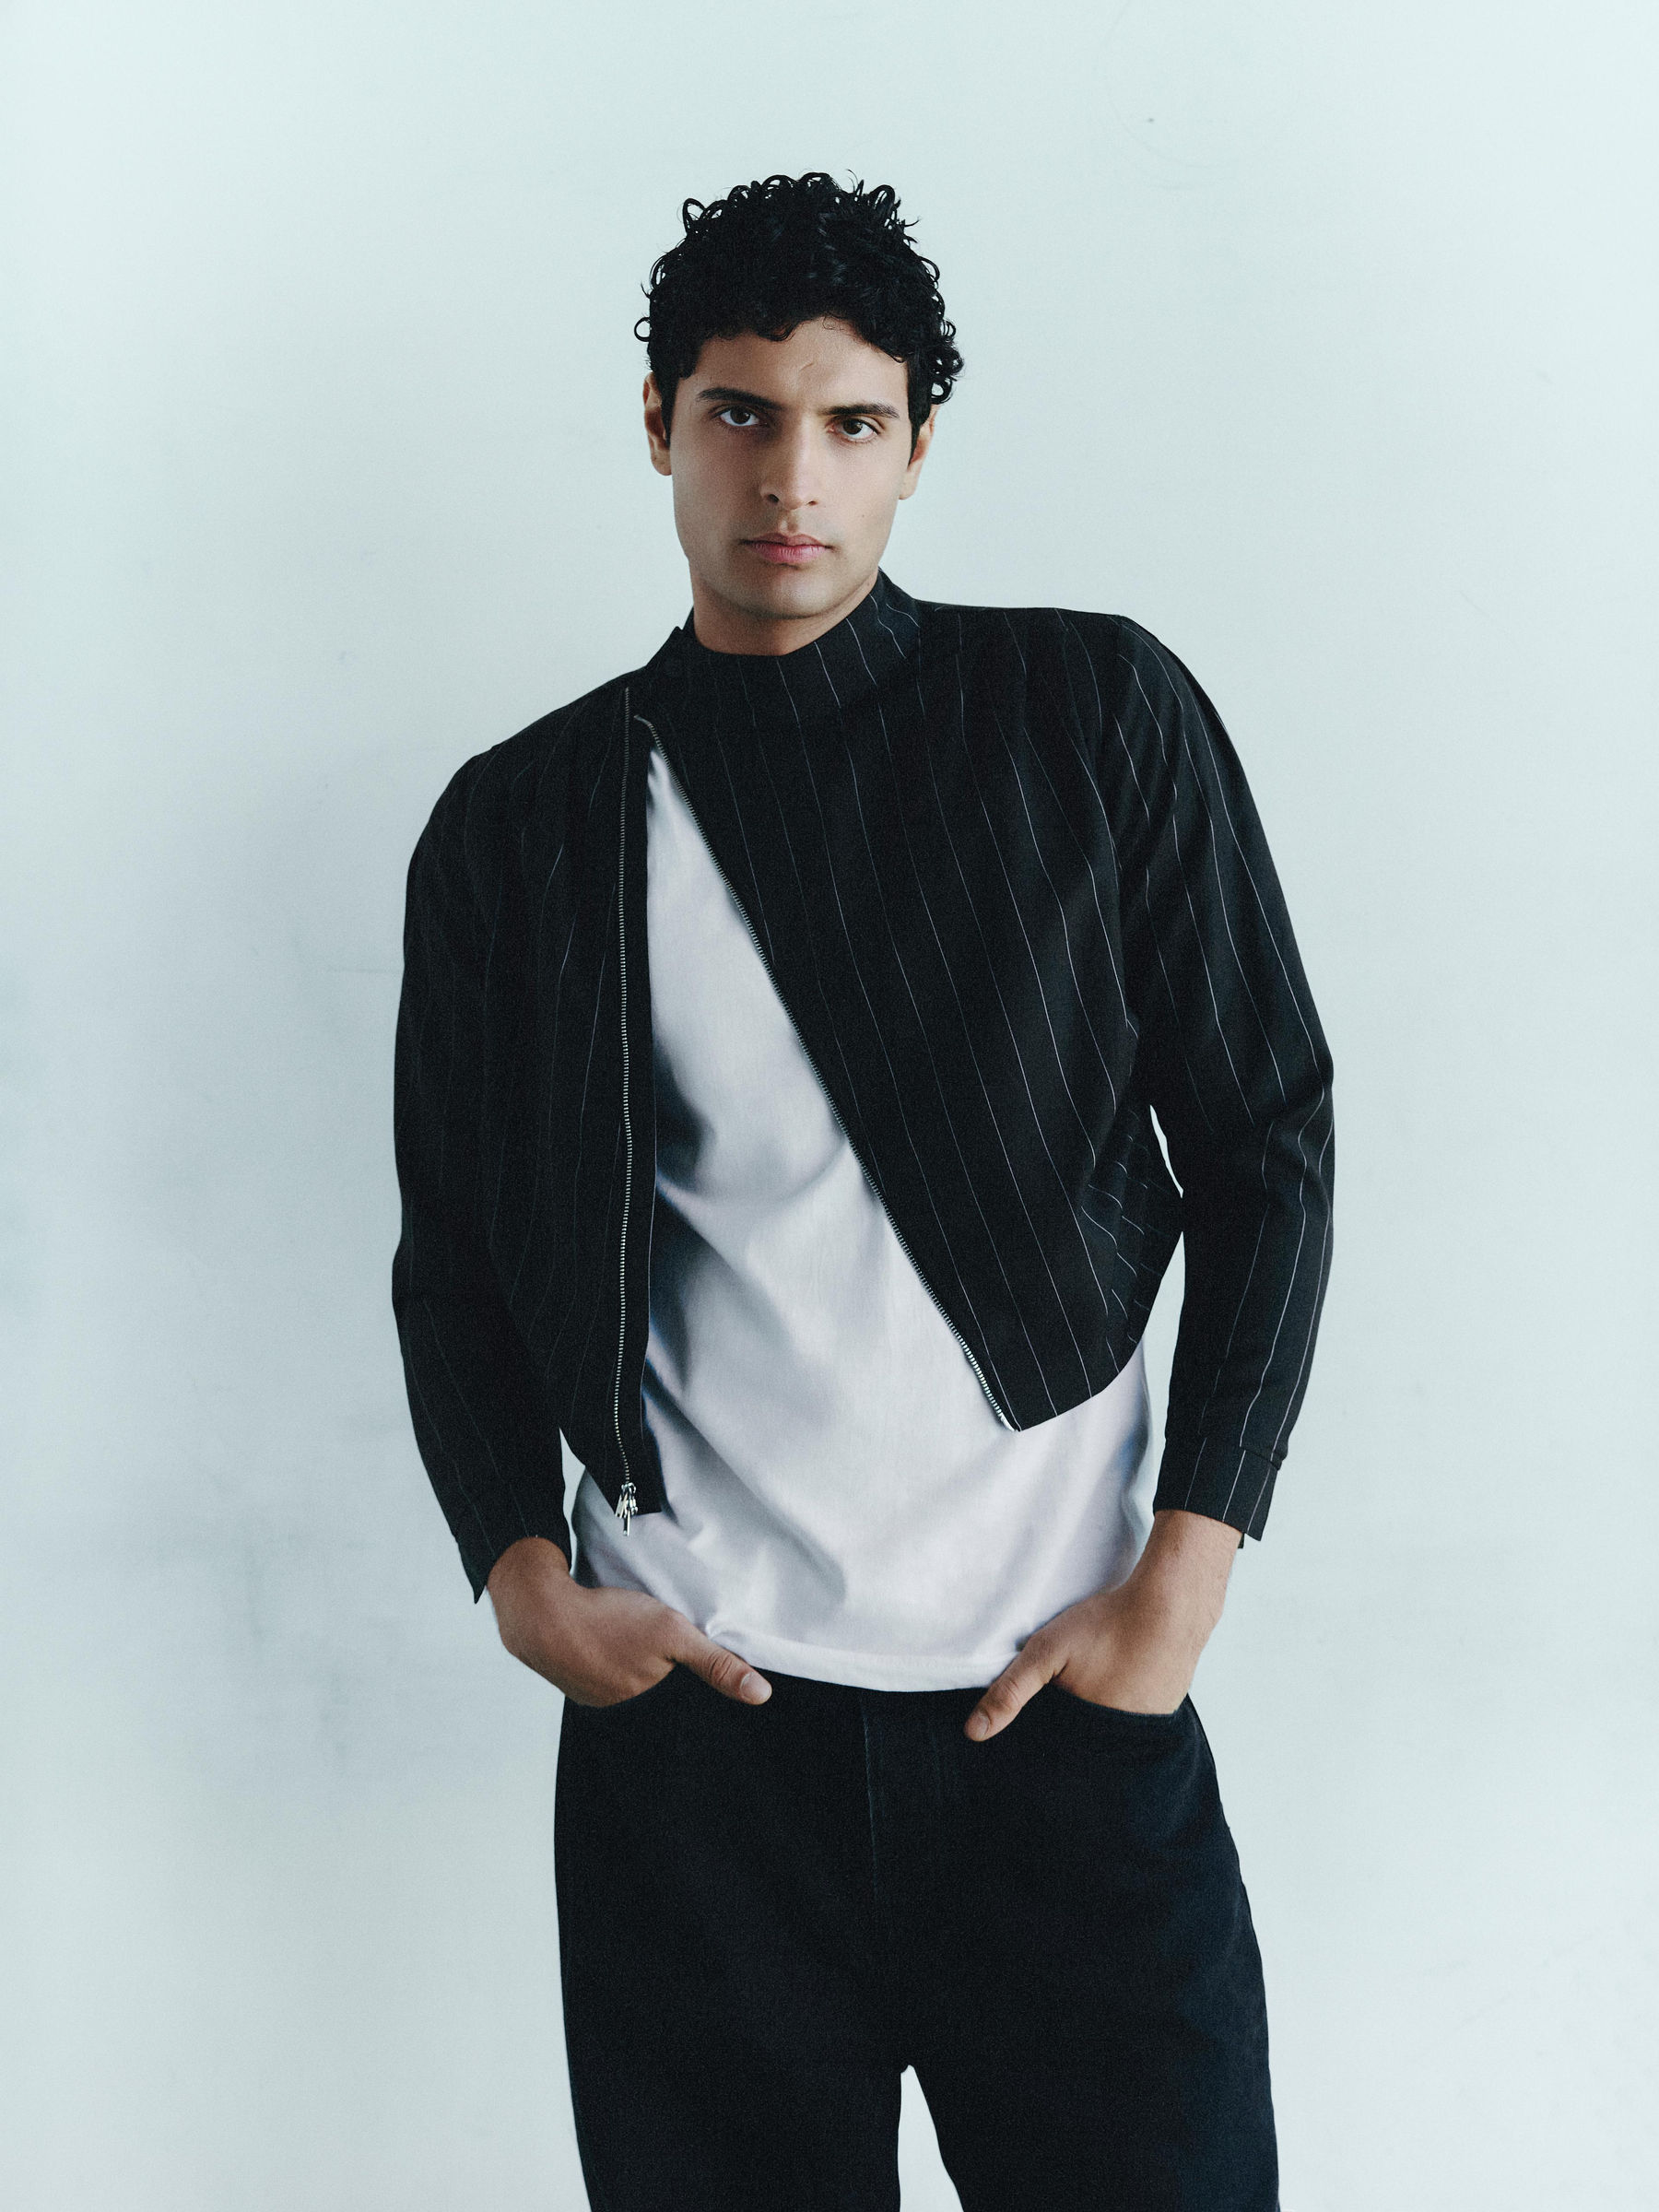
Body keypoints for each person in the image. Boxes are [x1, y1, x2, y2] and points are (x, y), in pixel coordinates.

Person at [392, 170, 1334, 2212]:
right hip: (699, 1762)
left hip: (1058, 1721)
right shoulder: (522, 825)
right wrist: (517, 1570)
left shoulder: (1093, 715)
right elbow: (450, 1255)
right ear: (659, 423)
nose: (790, 477)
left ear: (917, 445)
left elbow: (1270, 1139)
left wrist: (1188, 1572)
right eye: (740, 413)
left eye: (850, 421)